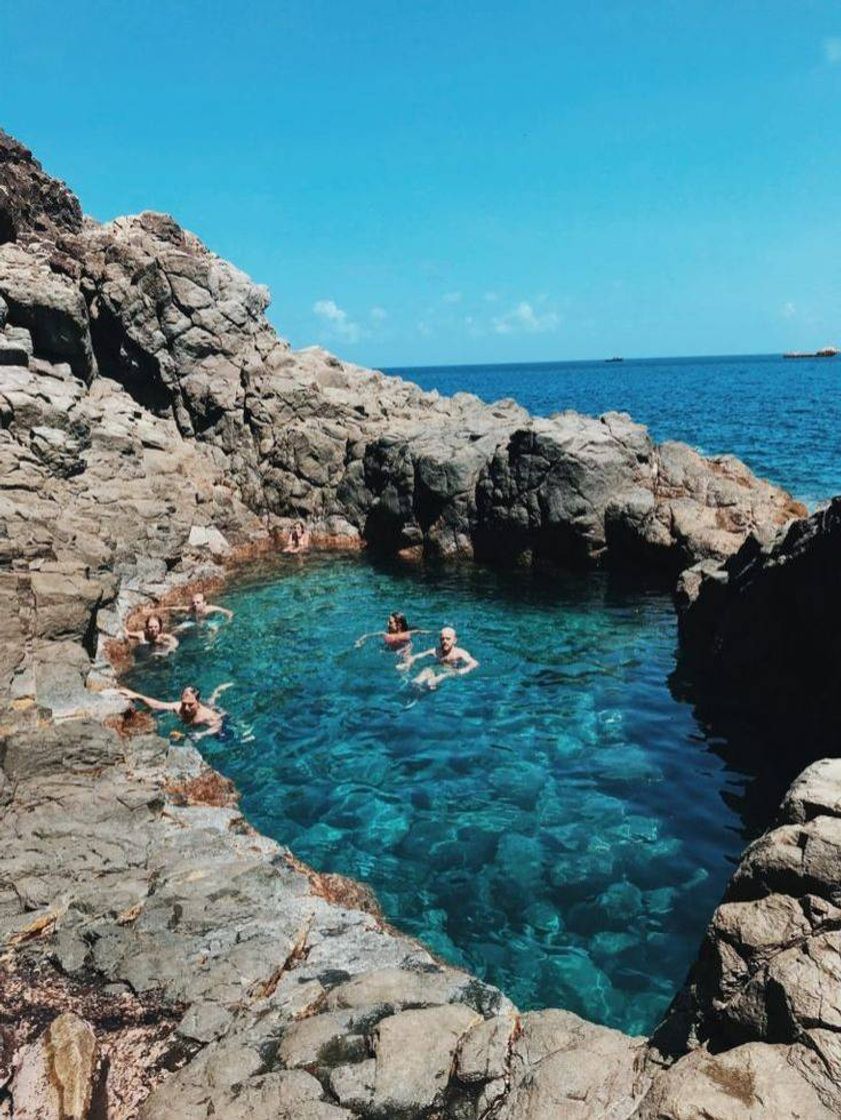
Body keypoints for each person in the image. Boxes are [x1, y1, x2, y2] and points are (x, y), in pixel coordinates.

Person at [118, 683, 232, 738]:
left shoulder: (207, 716)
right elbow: (157, 705)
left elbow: (218, 725)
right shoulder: (179, 707)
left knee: (222, 736)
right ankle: (215, 694)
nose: (186, 708)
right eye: (184, 703)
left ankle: (217, 693)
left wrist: (202, 734)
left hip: (220, 717)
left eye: (190, 705)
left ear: (197, 702)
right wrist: (137, 696)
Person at [400, 626, 479, 689]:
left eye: (448, 639)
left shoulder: (459, 653)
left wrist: (462, 671)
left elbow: (474, 663)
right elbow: (418, 656)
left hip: (451, 671)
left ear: (454, 640)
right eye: (442, 639)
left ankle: (432, 684)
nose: (444, 641)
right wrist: (408, 663)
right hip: (437, 668)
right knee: (425, 671)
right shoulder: (436, 651)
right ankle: (417, 686)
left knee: (442, 676)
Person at [355, 612, 429, 651]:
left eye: (390, 622)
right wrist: (360, 641)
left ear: (399, 625)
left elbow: (422, 632)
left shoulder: (408, 633)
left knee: (407, 649)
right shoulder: (386, 634)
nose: (387, 624)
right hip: (389, 649)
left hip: (404, 648)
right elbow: (368, 635)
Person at [164, 591, 233, 622]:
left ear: (204, 603)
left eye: (198, 602)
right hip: (194, 622)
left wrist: (228, 620)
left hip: (209, 621)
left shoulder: (210, 609)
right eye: (193, 603)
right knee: (177, 629)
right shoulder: (190, 609)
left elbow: (229, 612)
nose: (195, 604)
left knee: (213, 631)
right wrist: (156, 610)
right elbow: (173, 608)